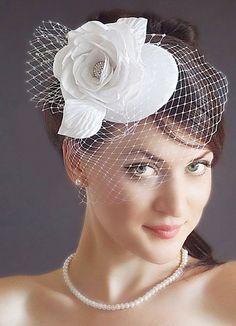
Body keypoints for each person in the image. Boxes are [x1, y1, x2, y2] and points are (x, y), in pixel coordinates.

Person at [0, 8, 235, 325]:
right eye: (142, 168)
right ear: (77, 162)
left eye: (196, 166)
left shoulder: (227, 295)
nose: (176, 205)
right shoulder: (12, 310)